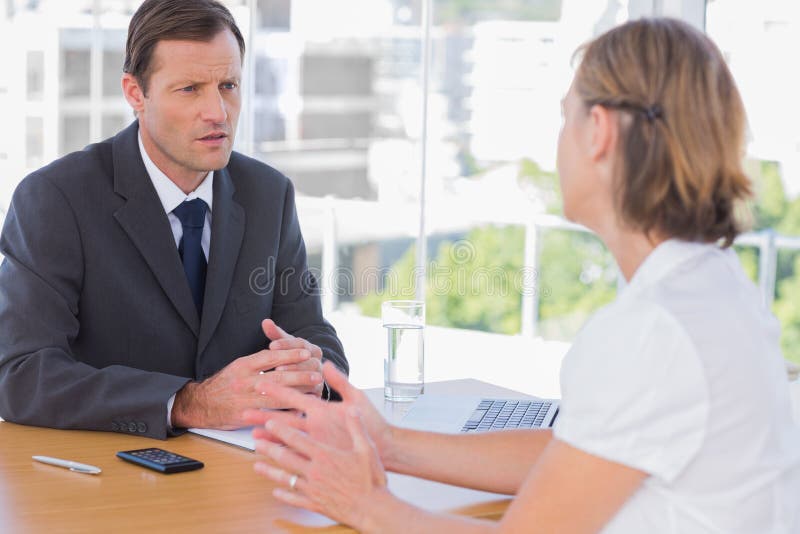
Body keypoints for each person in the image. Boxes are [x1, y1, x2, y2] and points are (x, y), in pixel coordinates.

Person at [245, 18, 800, 533]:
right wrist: (389, 444)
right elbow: (574, 452)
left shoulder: (653, 330)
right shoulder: (712, 287)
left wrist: (363, 504)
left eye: (566, 117)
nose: (558, 144)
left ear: (599, 131)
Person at [0, 0, 347, 440]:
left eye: (228, 85)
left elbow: (315, 334)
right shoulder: (55, 199)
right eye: (190, 89)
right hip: (107, 480)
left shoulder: (269, 195)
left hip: (243, 476)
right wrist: (188, 403)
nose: (218, 112)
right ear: (135, 93)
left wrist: (312, 370)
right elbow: (20, 373)